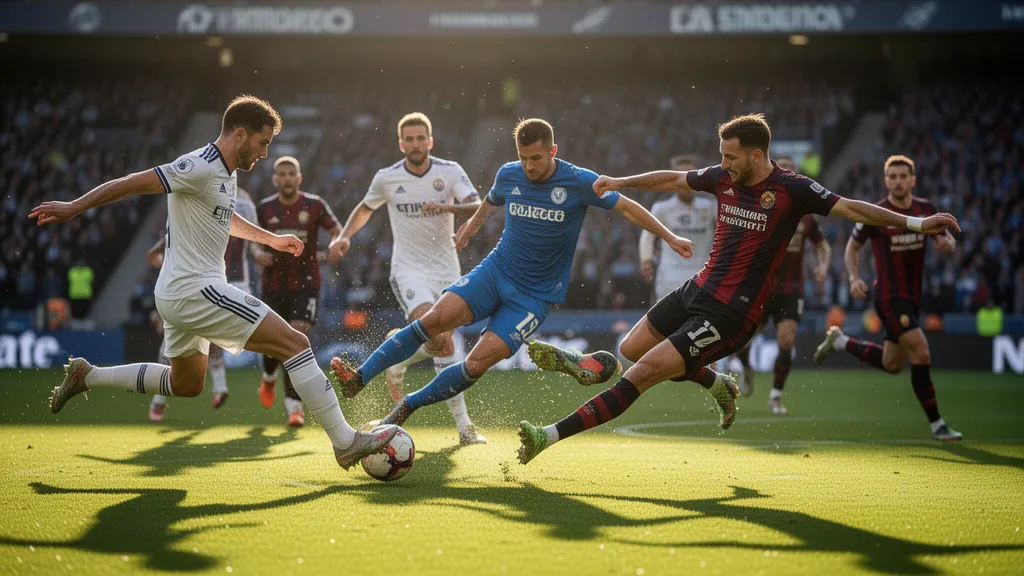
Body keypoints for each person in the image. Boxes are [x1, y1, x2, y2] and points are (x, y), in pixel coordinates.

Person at [518, 114, 960, 464]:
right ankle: (717, 385)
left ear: (756, 154)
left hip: (732, 312)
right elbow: (674, 180)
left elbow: (850, 209)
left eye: (730, 157)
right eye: (721, 156)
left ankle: (549, 435)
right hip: (697, 288)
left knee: (642, 374)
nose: (723, 164)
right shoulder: (724, 178)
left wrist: (918, 223)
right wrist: (620, 181)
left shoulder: (792, 189)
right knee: (630, 348)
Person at [31, 95, 398, 469]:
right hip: (196, 290)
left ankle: (88, 376)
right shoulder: (198, 165)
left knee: (186, 384)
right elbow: (133, 183)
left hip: (178, 292)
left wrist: (269, 239)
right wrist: (74, 206)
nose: (264, 153)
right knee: (295, 343)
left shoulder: (225, 172)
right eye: (263, 142)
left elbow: (225, 218)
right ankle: (345, 441)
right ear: (240, 134)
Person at [328, 118, 692, 435]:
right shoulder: (509, 173)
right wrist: (469, 228)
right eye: (523, 158)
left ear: (553, 150)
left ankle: (406, 407)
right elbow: (490, 201)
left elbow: (628, 207)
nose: (530, 166)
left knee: (475, 364)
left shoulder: (580, 181)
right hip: (495, 271)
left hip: (533, 297)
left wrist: (670, 237)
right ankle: (359, 377)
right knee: (434, 320)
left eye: (537, 158)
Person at [331, 112, 486, 445]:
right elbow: (365, 208)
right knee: (441, 339)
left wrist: (445, 209)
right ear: (400, 143)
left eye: (421, 138)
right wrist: (344, 236)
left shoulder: (450, 171)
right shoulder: (387, 177)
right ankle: (465, 428)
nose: (415, 144)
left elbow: (476, 206)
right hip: (408, 268)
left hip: (446, 268)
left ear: (430, 141)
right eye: (409, 139)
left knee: (438, 341)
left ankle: (401, 356)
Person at [813, 155, 962, 441]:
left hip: (912, 296)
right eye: (892, 176)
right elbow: (851, 247)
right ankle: (937, 425)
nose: (897, 181)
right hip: (888, 297)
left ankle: (841, 341)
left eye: (902, 176)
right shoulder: (877, 212)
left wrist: (948, 243)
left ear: (912, 179)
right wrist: (854, 277)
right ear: (886, 181)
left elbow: (944, 239)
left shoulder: (925, 209)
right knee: (921, 350)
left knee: (892, 364)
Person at [147, 188, 259, 420]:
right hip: (225, 281)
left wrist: (160, 254)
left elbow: (162, 246)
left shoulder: (202, 204)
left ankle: (159, 399)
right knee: (205, 337)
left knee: (177, 338)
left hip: (205, 281)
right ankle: (221, 387)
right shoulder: (241, 205)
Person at [733, 155, 831, 414]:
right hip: (760, 287)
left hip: (791, 289)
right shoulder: (761, 205)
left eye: (790, 167)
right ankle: (746, 367)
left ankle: (776, 395)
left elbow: (822, 244)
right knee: (740, 341)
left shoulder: (806, 216)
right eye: (782, 166)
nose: (786, 170)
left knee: (786, 341)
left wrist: (823, 265)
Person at [255, 156, 345, 427]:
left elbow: (337, 231)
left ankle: (295, 408)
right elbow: (249, 240)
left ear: (299, 177)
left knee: (295, 341)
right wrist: (257, 253)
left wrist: (337, 245)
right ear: (275, 179)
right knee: (273, 347)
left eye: (291, 173)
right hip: (273, 286)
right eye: (281, 174)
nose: (287, 178)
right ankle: (268, 377)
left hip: (306, 284)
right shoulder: (264, 208)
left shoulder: (314, 205)